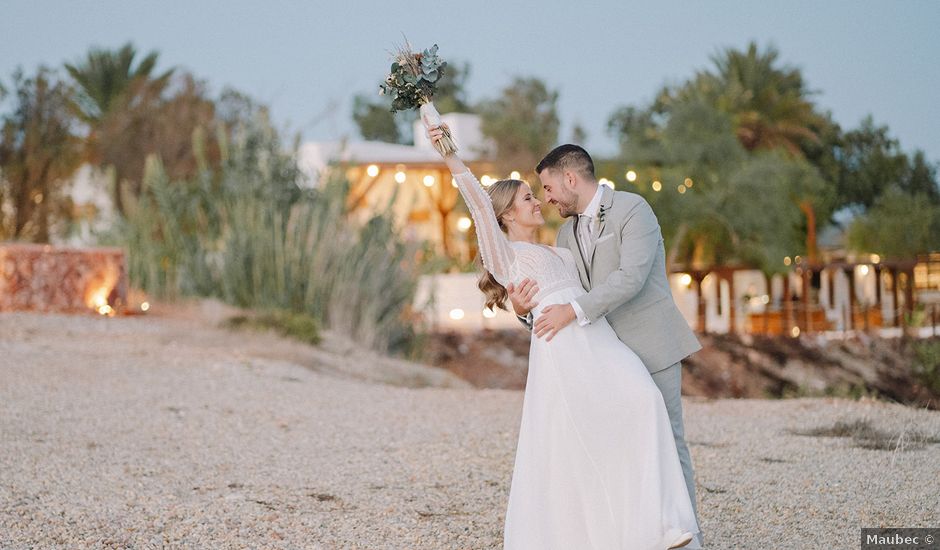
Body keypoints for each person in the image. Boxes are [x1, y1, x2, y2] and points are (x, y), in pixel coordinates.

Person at [427, 124, 699, 549]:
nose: (541, 200)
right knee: (578, 444)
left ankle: (662, 528)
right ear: (506, 216)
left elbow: (597, 288)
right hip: (566, 350)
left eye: (542, 191)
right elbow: (479, 206)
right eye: (529, 198)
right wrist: (448, 152)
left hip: (601, 338)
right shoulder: (509, 252)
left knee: (643, 408)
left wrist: (551, 310)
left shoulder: (570, 243)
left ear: (570, 178)